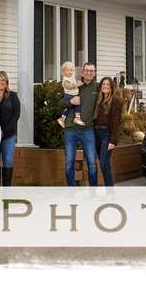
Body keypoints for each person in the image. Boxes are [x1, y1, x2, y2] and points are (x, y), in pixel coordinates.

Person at [58, 62, 99, 197]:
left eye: (91, 71)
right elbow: (60, 103)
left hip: (88, 130)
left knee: (92, 162)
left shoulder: (97, 88)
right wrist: (70, 102)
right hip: (71, 129)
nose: (89, 73)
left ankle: (92, 191)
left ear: (95, 73)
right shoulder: (73, 84)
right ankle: (71, 190)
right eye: (86, 70)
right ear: (82, 72)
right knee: (69, 162)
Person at [93, 76, 123, 198]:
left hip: (107, 134)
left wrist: (112, 141)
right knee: (100, 162)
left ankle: (110, 192)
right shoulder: (99, 99)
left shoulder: (116, 100)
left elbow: (116, 123)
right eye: (103, 84)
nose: (105, 86)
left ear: (111, 87)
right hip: (96, 133)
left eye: (107, 84)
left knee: (104, 163)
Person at [57, 61, 85, 127]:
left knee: (68, 108)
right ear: (63, 71)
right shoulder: (65, 79)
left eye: (71, 70)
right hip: (69, 95)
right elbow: (68, 86)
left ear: (73, 70)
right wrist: (77, 85)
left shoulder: (72, 77)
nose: (69, 72)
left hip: (72, 94)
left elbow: (74, 83)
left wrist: (79, 83)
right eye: (67, 70)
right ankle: (77, 117)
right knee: (77, 104)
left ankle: (62, 118)